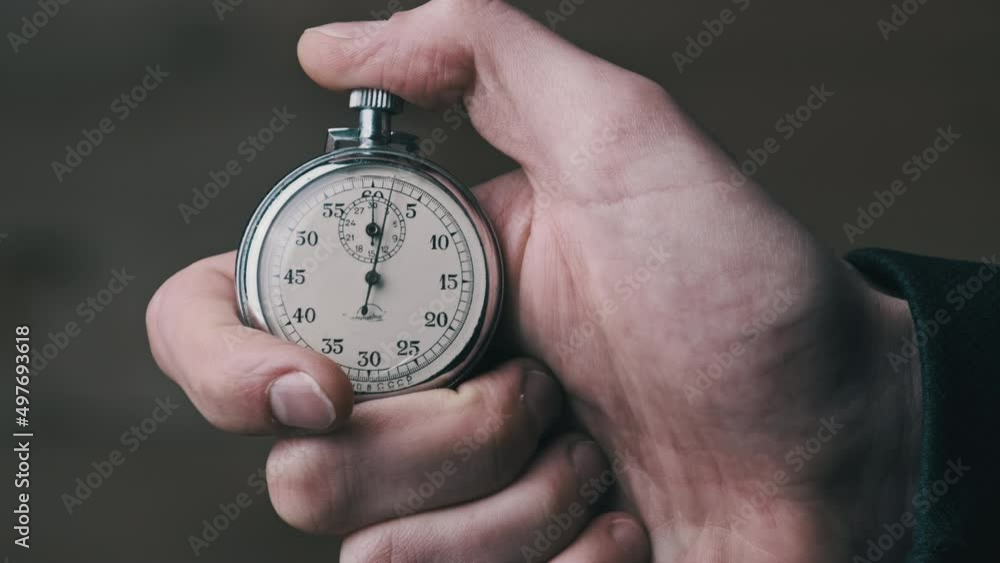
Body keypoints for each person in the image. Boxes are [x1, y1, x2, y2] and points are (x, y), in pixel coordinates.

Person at [145, 1, 997, 561]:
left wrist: (887, 426)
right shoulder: (328, 236)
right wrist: (901, 421)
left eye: (387, 264)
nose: (371, 279)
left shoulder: (471, 241)